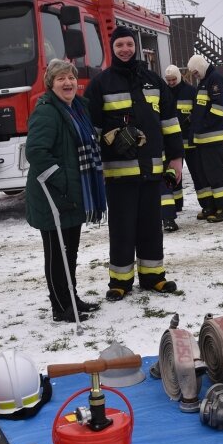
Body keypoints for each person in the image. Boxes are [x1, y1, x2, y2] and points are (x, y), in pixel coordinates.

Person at [85, 26, 184, 301]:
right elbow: (89, 127)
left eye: (129, 44)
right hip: (118, 174)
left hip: (151, 171)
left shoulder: (153, 80)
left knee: (151, 227)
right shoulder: (100, 84)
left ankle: (154, 278)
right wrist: (107, 138)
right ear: (112, 49)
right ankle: (120, 282)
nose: (125, 49)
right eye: (119, 46)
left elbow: (170, 122)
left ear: (136, 46)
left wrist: (176, 158)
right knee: (122, 229)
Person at [25, 59, 105, 323]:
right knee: (56, 254)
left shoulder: (78, 109)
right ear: (51, 83)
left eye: (70, 77)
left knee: (70, 251)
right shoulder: (47, 112)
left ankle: (72, 298)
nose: (67, 83)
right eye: (60, 79)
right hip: (52, 196)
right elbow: (36, 152)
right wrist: (61, 181)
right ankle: (60, 307)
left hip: (73, 193)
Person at [186, 54, 223, 223]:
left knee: (217, 173)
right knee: (207, 175)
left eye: (195, 72)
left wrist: (203, 123)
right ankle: (212, 206)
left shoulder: (214, 79)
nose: (194, 75)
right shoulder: (205, 81)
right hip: (203, 138)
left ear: (200, 66)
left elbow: (220, 107)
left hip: (211, 137)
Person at [161, 64, 197, 232]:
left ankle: (179, 204)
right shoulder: (164, 91)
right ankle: (176, 204)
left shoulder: (190, 91)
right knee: (173, 174)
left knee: (191, 172)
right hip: (171, 141)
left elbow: (197, 112)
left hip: (188, 139)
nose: (171, 83)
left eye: (174, 79)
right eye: (168, 80)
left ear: (179, 77)